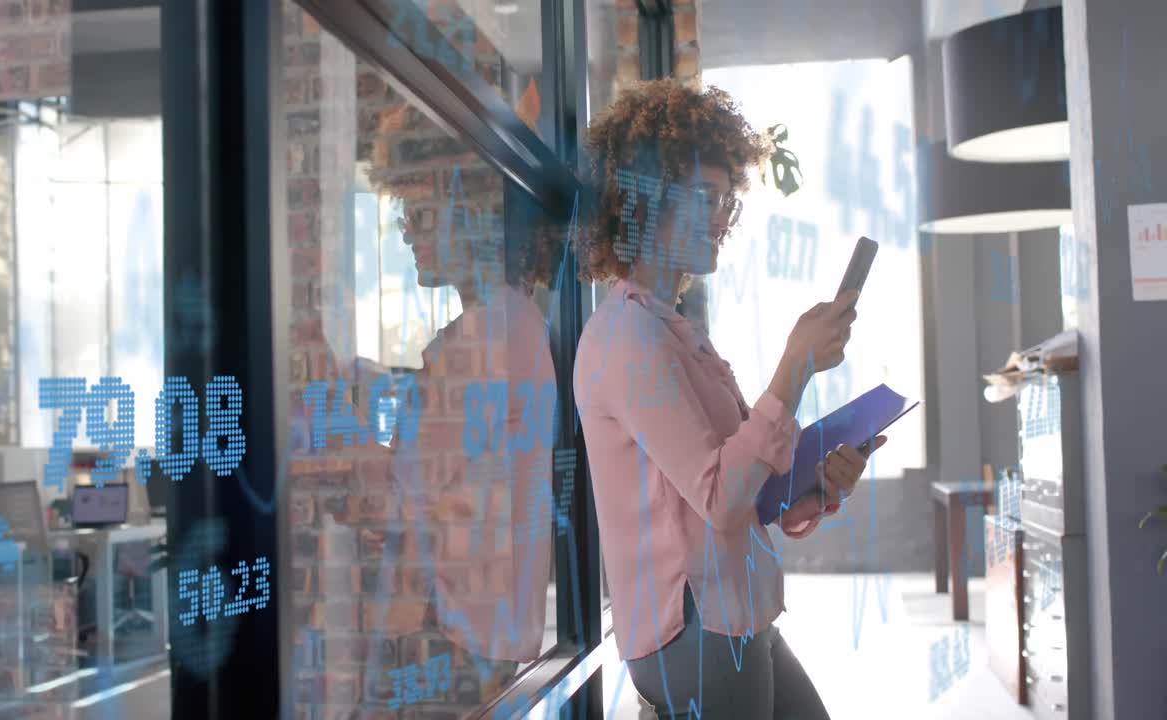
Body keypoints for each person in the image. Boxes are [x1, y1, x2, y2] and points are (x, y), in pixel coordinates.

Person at [573, 79, 888, 719]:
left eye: (726, 201)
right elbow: (722, 498)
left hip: (732, 613)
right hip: (693, 630)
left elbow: (752, 492)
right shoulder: (628, 338)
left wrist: (819, 486)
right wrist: (795, 366)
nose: (721, 218)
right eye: (704, 198)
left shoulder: (671, 330)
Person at [309, 96, 561, 716]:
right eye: (406, 217)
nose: (410, 235)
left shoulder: (483, 336)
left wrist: (320, 379)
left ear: (472, 213)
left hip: (447, 641)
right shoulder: (515, 321)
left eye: (420, 214)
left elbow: (387, 500)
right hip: (476, 636)